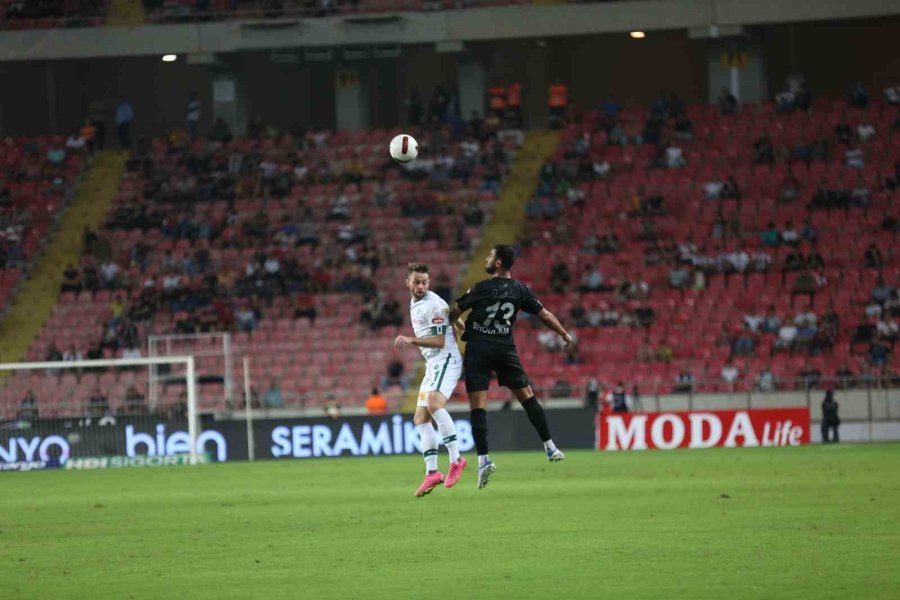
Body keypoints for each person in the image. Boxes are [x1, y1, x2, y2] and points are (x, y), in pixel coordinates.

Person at [449, 244, 571, 490]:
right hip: (505, 350)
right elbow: (545, 314)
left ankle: (484, 461)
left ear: (498, 263)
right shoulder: (520, 290)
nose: (487, 257)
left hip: (479, 350)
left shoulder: (481, 287)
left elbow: (455, 311)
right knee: (528, 397)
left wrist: (453, 325)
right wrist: (564, 333)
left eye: (490, 255)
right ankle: (550, 446)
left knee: (478, 406)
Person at [394, 262, 467, 497]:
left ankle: (456, 460)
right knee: (420, 418)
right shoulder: (418, 303)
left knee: (434, 405)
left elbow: (439, 341)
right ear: (408, 283)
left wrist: (411, 340)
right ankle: (432, 473)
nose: (421, 286)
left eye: (424, 282)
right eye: (416, 281)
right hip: (432, 364)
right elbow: (457, 323)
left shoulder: (432, 305)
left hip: (446, 359)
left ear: (429, 282)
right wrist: (455, 321)